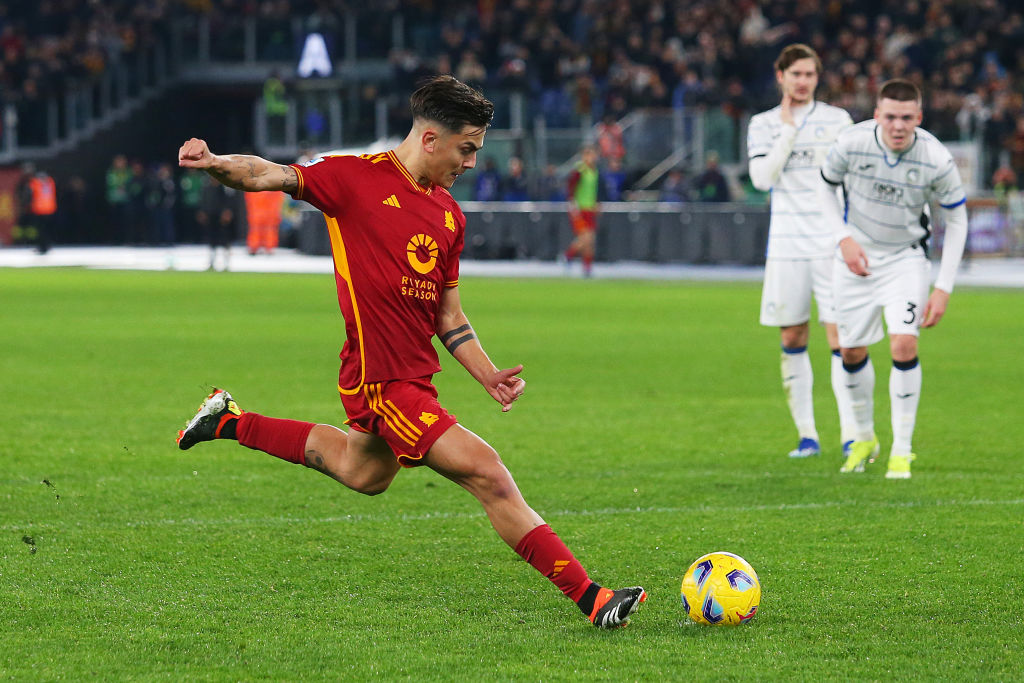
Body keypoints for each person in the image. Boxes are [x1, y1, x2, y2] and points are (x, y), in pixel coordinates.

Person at [175, 75, 645, 628]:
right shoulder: (352, 177)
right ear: (429, 139)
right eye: (466, 148)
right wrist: (213, 163)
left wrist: (487, 374)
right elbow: (264, 173)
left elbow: (448, 316)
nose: (470, 163)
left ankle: (228, 420)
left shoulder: (449, 216)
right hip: (382, 379)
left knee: (362, 472)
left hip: (412, 376)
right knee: (488, 473)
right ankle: (591, 598)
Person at [818, 78, 968, 479]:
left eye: (906, 118)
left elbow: (956, 219)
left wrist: (944, 286)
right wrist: (843, 238)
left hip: (905, 259)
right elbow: (824, 188)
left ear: (918, 117)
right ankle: (865, 437)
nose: (898, 126)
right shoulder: (851, 143)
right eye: (890, 117)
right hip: (854, 260)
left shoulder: (936, 158)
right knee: (850, 351)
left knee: (903, 343)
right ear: (876, 116)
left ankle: (902, 449)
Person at [747, 43, 855, 460]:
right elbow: (761, 178)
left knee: (842, 339)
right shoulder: (765, 124)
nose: (803, 81)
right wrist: (789, 131)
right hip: (787, 244)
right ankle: (807, 436)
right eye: (796, 74)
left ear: (816, 77)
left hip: (831, 243)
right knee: (792, 335)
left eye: (809, 74)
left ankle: (852, 434)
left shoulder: (838, 120)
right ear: (781, 77)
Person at [564, 145, 601, 277]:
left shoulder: (594, 171)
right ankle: (568, 256)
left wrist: (596, 203)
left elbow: (592, 191)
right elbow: (571, 190)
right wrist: (573, 207)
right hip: (580, 209)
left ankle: (587, 268)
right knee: (585, 238)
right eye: (590, 155)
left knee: (590, 241)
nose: (592, 157)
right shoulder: (579, 170)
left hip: (589, 209)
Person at [18, 163, 57, 254]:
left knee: (40, 230)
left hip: (39, 210)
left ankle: (42, 247)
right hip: (50, 209)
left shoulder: (35, 183)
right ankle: (47, 246)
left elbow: (28, 195)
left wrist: (25, 205)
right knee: (47, 229)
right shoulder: (50, 182)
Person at [243, 188, 285, 255]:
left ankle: (266, 247)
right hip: (260, 211)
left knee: (266, 229)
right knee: (259, 228)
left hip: (265, 212)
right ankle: (258, 246)